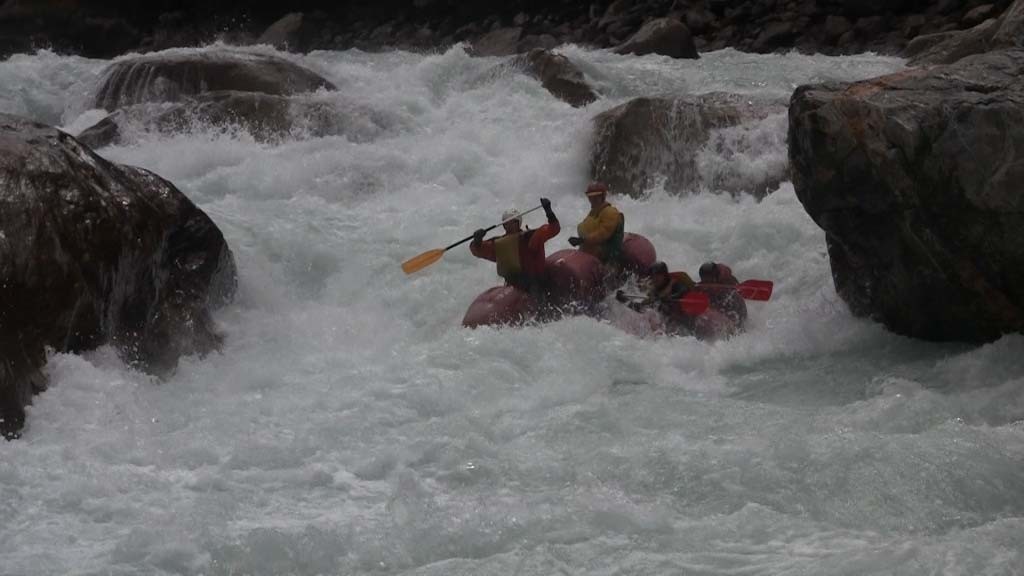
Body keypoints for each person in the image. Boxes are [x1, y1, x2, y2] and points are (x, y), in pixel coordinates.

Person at [470, 198, 560, 294]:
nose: (509, 225)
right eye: (506, 223)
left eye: (512, 222)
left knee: (534, 288)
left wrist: (549, 212)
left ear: (518, 223)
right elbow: (478, 250)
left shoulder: (530, 237)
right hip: (513, 287)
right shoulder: (500, 244)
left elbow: (554, 229)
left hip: (535, 283)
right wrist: (477, 240)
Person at [616, 261, 697, 335]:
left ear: (665, 275)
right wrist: (625, 301)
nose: (655, 278)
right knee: (650, 312)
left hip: (683, 325)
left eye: (658, 275)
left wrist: (671, 297)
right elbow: (641, 308)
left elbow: (684, 291)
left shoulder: (675, 284)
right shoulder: (654, 292)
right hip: (667, 326)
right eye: (653, 275)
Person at [568, 182, 624, 265]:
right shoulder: (594, 212)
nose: (592, 199)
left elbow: (603, 234)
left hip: (608, 258)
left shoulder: (610, 212)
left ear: (602, 196)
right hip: (592, 254)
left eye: (596, 197)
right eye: (590, 197)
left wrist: (582, 240)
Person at [695, 261, 747, 326]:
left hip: (737, 310)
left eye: (709, 281)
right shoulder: (701, 286)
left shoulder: (729, 287)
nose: (706, 286)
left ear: (716, 279)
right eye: (704, 281)